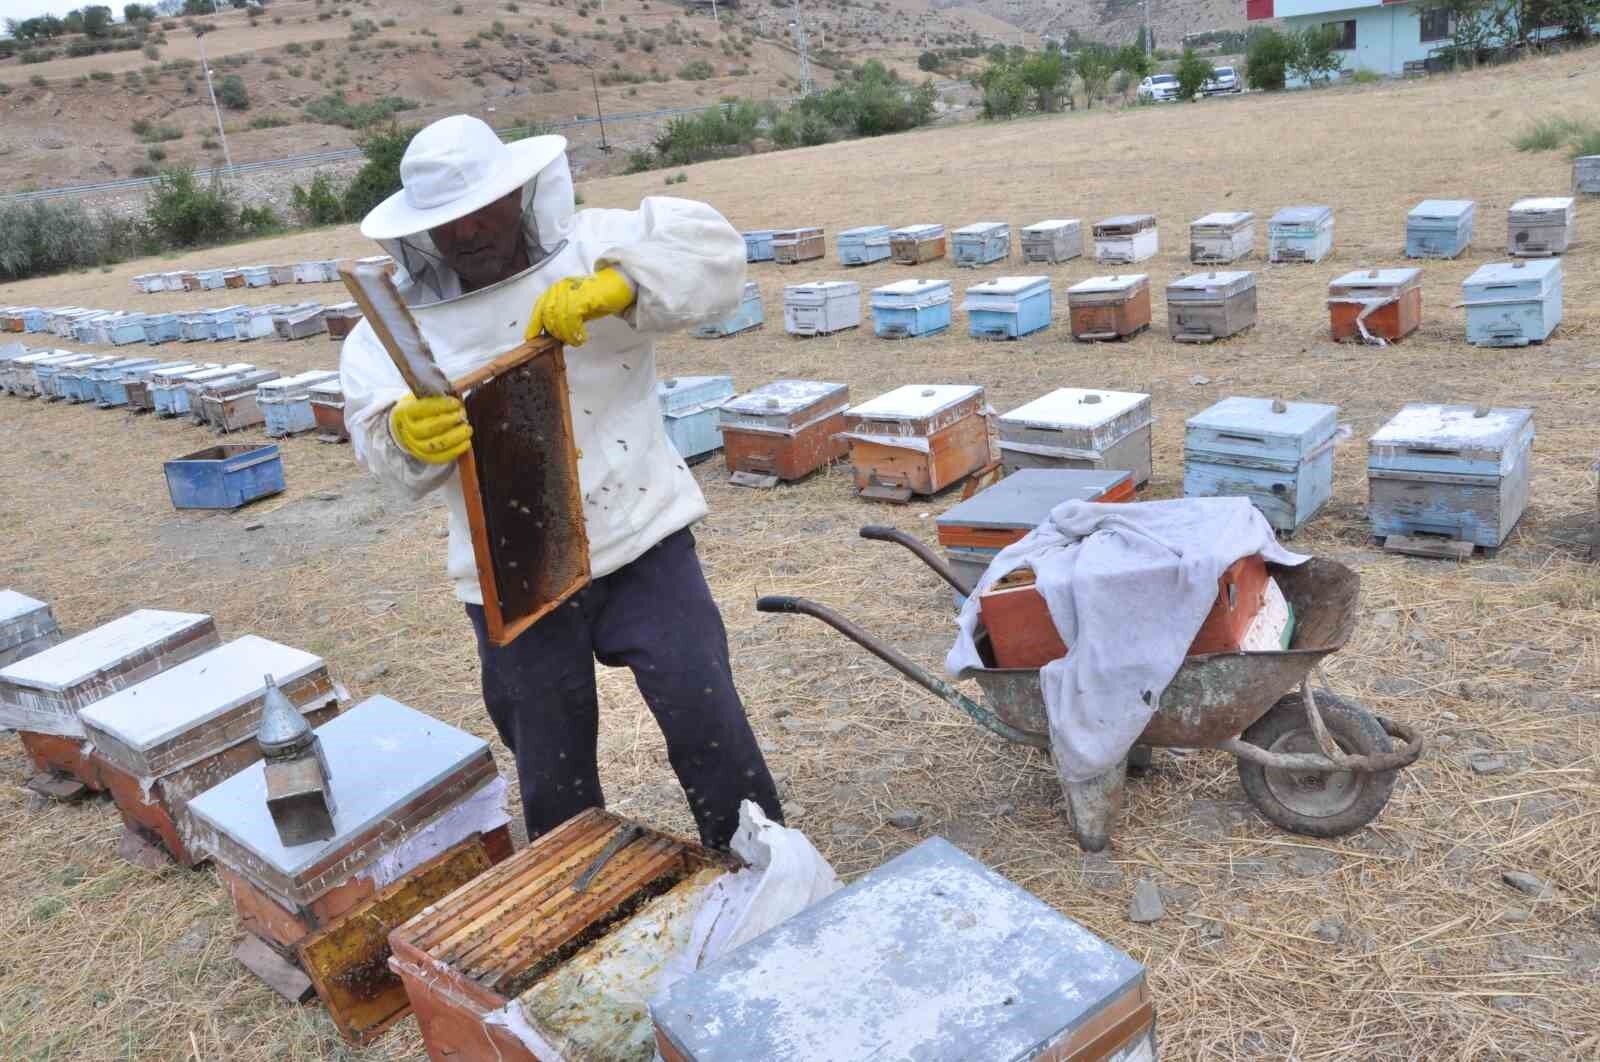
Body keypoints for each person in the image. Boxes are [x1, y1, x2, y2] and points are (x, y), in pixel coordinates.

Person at [339, 115, 781, 849]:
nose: (469, 234)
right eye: (449, 223)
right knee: (551, 764)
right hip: (511, 578)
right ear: (422, 232)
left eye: (483, 210)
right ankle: (572, 907)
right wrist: (401, 434)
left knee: (707, 718)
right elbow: (375, 434)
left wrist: (617, 286)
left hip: (644, 537)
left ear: (518, 196)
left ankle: (762, 863)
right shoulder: (389, 334)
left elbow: (714, 255)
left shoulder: (593, 242)